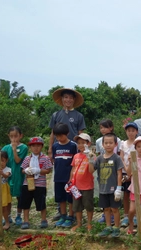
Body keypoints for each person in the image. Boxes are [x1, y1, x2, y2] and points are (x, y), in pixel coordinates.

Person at [48, 88, 86, 221]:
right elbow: (52, 133)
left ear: (74, 100)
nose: (68, 100)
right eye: (66, 97)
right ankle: (61, 212)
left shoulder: (78, 116)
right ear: (62, 99)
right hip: (59, 150)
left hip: (73, 150)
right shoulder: (56, 115)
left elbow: (81, 134)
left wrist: (82, 150)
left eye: (71, 98)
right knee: (60, 181)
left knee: (73, 180)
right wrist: (50, 149)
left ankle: (74, 211)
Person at [19, 137, 53, 229]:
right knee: (25, 202)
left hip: (40, 184)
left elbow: (48, 170)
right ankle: (26, 220)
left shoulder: (45, 158)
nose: (36, 148)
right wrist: (26, 170)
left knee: (41, 202)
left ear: (41, 147)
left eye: (38, 146)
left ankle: (43, 219)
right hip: (27, 183)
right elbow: (22, 169)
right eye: (33, 146)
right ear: (30, 147)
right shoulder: (27, 158)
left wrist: (38, 170)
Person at [94, 133, 123, 237]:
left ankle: (116, 227)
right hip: (103, 189)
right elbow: (90, 170)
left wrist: (119, 188)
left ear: (115, 144)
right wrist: (89, 158)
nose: (108, 145)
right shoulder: (99, 158)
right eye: (106, 143)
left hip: (114, 189)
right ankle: (108, 227)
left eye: (111, 143)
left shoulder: (117, 158)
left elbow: (119, 173)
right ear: (102, 144)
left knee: (114, 209)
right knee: (106, 208)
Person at [52, 122, 78, 228]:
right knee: (61, 198)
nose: (59, 138)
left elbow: (75, 162)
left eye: (61, 135)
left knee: (70, 198)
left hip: (69, 178)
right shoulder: (55, 146)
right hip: (58, 177)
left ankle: (71, 217)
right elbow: (54, 160)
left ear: (67, 133)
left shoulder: (73, 145)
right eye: (57, 136)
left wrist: (72, 177)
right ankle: (63, 215)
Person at [95, 119, 121, 224]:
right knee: (105, 204)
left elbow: (119, 155)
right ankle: (107, 222)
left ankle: (116, 225)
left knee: (114, 206)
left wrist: (119, 187)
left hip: (113, 172)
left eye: (105, 127)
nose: (103, 129)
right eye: (101, 127)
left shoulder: (118, 141)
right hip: (102, 171)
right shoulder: (98, 141)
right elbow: (97, 157)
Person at [1, 126, 28, 226]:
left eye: (16, 136)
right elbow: (2, 162)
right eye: (11, 136)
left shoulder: (24, 147)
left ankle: (18, 216)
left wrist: (14, 148)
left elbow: (17, 160)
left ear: (20, 136)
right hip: (8, 176)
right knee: (7, 197)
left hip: (19, 176)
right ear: (9, 136)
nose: (14, 139)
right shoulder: (5, 148)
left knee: (19, 197)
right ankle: (7, 217)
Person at [70, 133, 96, 232]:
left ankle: (89, 223)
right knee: (77, 206)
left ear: (88, 143)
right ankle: (79, 223)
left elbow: (91, 170)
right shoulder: (76, 156)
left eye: (83, 143)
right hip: (76, 186)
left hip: (87, 186)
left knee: (88, 205)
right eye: (79, 143)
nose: (80, 145)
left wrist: (89, 158)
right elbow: (73, 169)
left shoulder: (92, 155)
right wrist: (70, 181)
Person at [120, 122, 139, 227]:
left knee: (135, 194)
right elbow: (121, 157)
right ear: (126, 132)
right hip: (124, 172)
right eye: (128, 131)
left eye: (133, 131)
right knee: (126, 194)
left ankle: (135, 215)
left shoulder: (137, 143)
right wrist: (126, 170)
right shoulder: (123, 143)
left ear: (136, 131)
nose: (131, 133)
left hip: (135, 172)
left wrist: (131, 173)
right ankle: (126, 215)